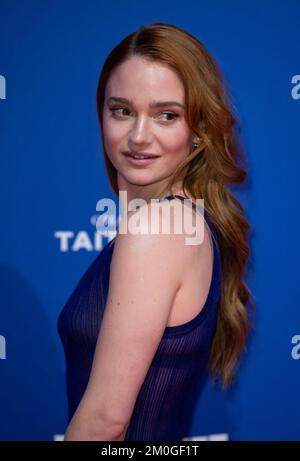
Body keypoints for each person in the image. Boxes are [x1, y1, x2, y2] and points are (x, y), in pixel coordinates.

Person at [57, 22, 253, 441]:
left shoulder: (158, 228)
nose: (138, 136)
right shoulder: (186, 223)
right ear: (103, 115)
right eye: (122, 111)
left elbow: (105, 421)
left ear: (199, 131)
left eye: (167, 115)